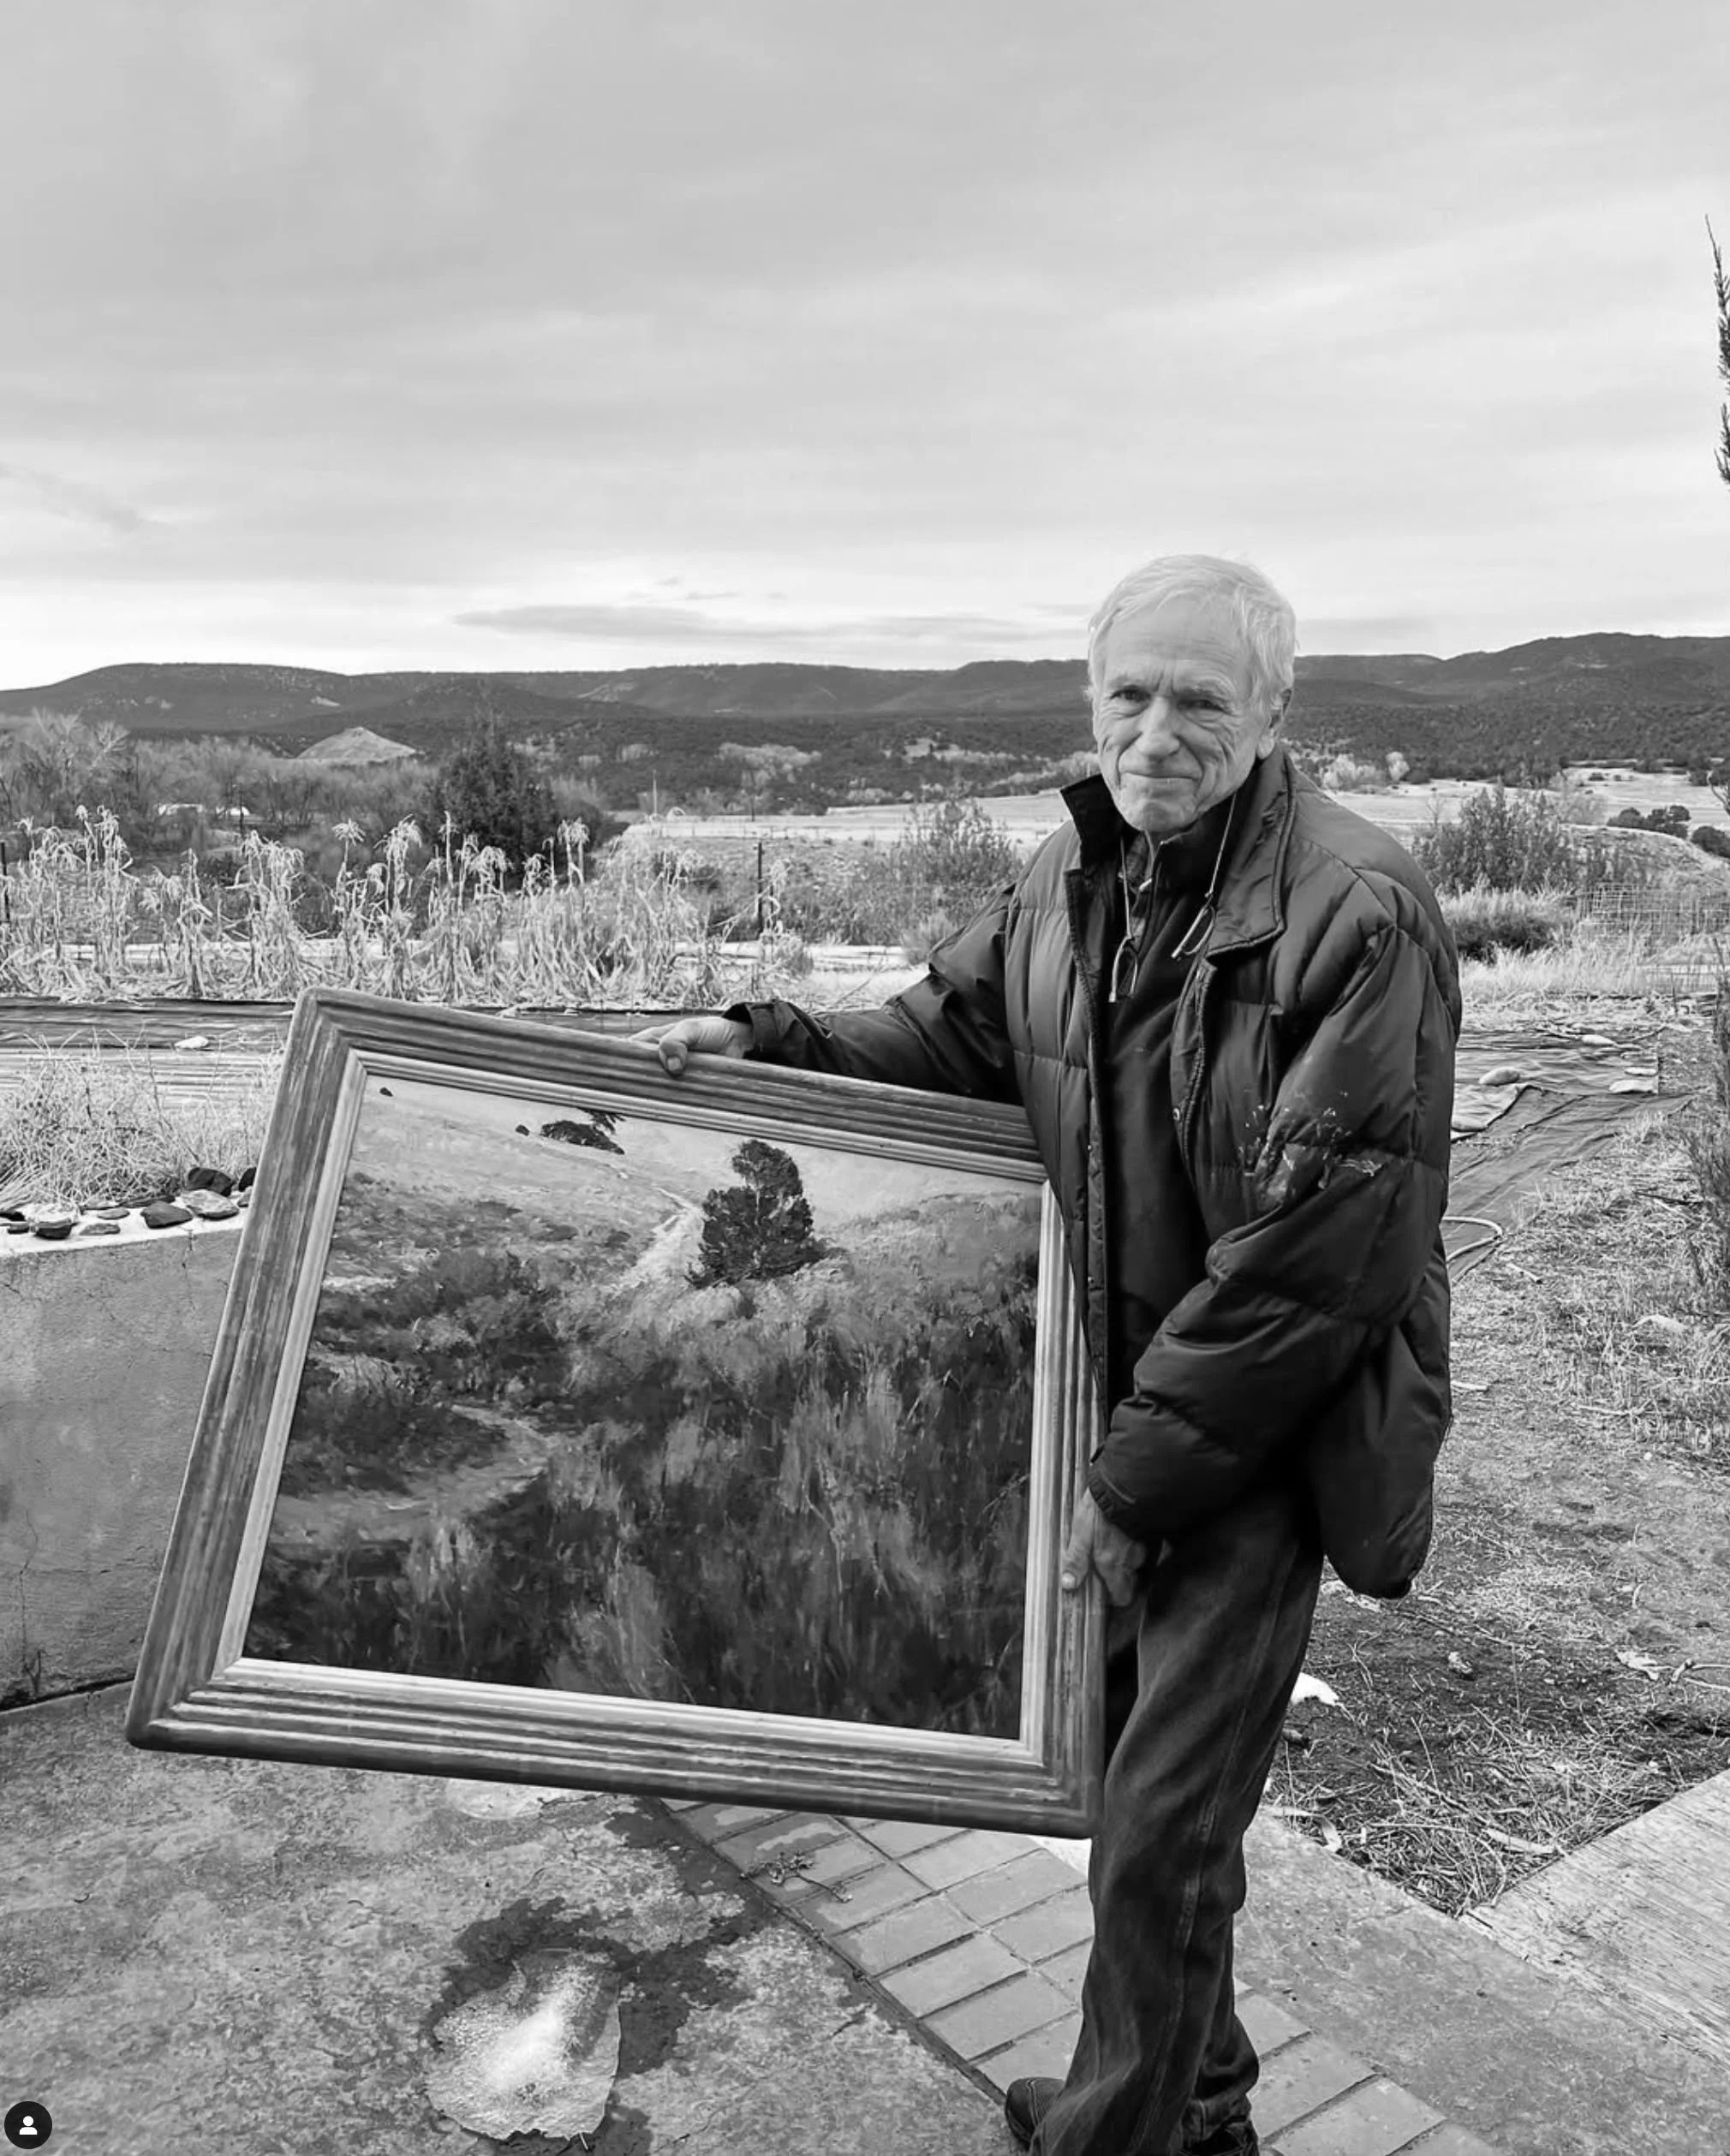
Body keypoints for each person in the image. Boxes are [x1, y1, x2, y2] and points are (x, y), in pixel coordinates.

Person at [632, 555, 1460, 2156]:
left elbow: (1313, 1262)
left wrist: (1137, 1486)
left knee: (1158, 1823)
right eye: (1129, 694)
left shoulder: (1361, 912)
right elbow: (953, 1031)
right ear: (1091, 703)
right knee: (1139, 1794)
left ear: (1275, 713)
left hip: (1261, 1428)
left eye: (1201, 699)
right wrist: (774, 1038)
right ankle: (1194, 2095)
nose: (1158, 732)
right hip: (1116, 1399)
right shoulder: (1064, 876)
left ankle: (1121, 2136)